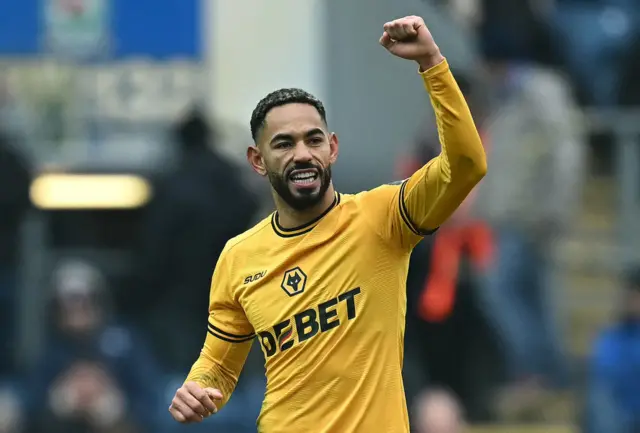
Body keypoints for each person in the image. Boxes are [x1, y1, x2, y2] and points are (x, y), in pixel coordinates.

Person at [168, 15, 487, 433]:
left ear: (332, 148)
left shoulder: (384, 217)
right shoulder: (239, 256)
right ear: (257, 161)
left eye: (313, 139)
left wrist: (432, 64)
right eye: (284, 143)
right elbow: (219, 368)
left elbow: (465, 165)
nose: (303, 153)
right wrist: (197, 387)